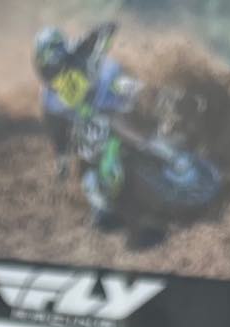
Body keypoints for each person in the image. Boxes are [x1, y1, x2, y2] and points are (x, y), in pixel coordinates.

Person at [33, 22, 141, 227]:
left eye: (55, 52)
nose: (52, 60)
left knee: (129, 86)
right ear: (39, 60)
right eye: (46, 56)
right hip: (90, 122)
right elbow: (57, 132)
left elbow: (95, 35)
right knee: (87, 167)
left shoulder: (77, 50)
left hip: (111, 93)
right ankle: (102, 210)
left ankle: (166, 102)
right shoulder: (48, 97)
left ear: (63, 49)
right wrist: (62, 160)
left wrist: (104, 30)